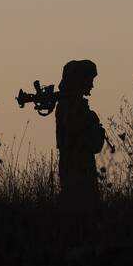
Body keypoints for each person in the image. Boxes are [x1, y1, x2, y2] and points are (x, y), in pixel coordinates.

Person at [55, 59, 107, 206]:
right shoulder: (71, 107)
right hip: (76, 168)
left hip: (80, 166)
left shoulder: (71, 106)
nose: (91, 85)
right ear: (80, 81)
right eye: (89, 79)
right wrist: (95, 126)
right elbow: (90, 141)